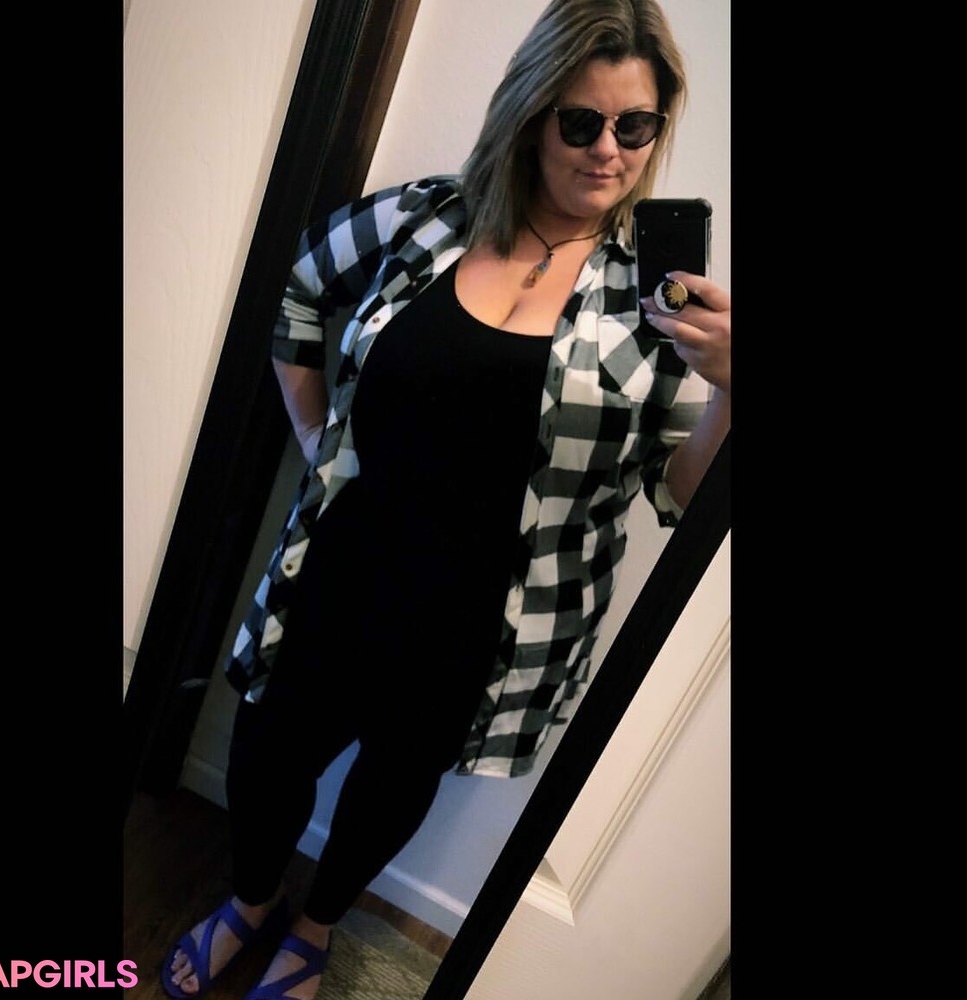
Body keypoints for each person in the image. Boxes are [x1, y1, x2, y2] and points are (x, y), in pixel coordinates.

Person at [162, 0, 730, 997]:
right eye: (582, 122)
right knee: (265, 756)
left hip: (483, 621)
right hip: (344, 565)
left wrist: (730, 392)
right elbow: (299, 290)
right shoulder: (430, 217)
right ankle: (251, 900)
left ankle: (316, 929)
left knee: (392, 785)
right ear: (531, 113)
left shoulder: (653, 295)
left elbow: (675, 495)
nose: (609, 151)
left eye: (636, 125)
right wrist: (316, 439)